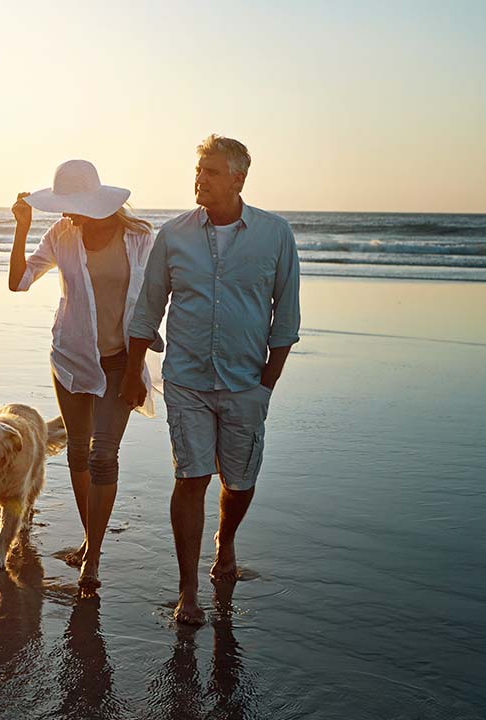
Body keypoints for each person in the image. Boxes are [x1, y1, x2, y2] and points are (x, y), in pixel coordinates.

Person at [121, 135, 301, 625]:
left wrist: (266, 387)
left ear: (239, 178)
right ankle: (187, 590)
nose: (200, 179)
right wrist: (134, 370)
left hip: (246, 383)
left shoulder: (275, 235)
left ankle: (226, 543)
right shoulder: (174, 235)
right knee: (191, 476)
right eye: (198, 170)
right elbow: (148, 309)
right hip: (186, 380)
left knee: (239, 483)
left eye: (212, 172)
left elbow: (285, 320)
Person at [8, 159, 160, 598]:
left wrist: (136, 370)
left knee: (102, 456)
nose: (64, 213)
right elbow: (20, 282)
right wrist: (23, 227)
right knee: (77, 451)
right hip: (72, 358)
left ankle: (91, 558)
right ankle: (90, 540)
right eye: (61, 206)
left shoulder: (139, 240)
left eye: (70, 205)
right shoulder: (61, 236)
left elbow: (152, 306)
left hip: (122, 362)